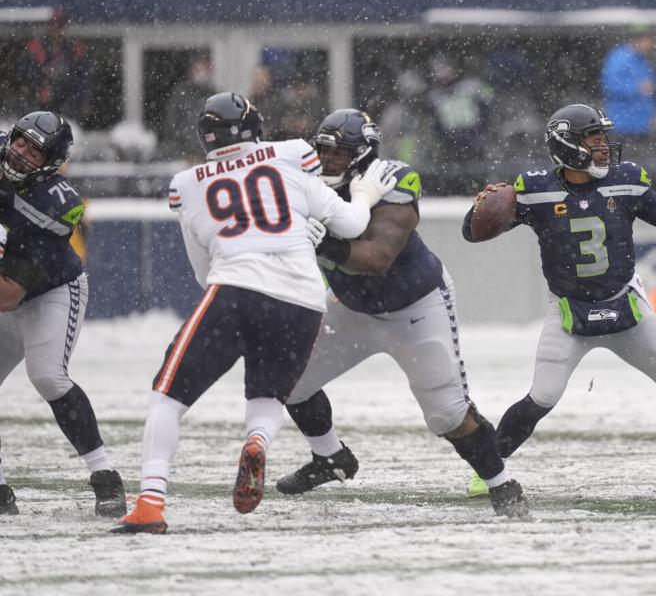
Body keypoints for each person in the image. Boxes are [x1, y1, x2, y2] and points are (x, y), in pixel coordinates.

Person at [112, 93, 397, 534]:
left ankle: (150, 502)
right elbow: (353, 226)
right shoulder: (292, 154)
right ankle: (257, 442)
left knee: (167, 398)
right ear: (256, 127)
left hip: (236, 285)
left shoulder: (187, 183)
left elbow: (203, 269)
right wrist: (364, 194)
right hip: (302, 300)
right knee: (266, 395)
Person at [462, 103, 656, 494]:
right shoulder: (534, 189)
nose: (604, 145)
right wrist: (480, 211)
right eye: (594, 137)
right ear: (568, 145)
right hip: (570, 313)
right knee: (542, 396)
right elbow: (473, 234)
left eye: (603, 137)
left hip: (623, 301)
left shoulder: (626, 180)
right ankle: (488, 470)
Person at [274, 109, 529, 518]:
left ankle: (503, 486)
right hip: (352, 306)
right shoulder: (304, 186)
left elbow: (377, 257)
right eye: (321, 150)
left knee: (447, 412)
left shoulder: (392, 179)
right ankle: (331, 458)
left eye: (337, 153)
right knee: (285, 378)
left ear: (362, 155)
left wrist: (325, 246)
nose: (326, 160)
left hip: (415, 306)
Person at [0, 111, 125, 516]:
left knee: (48, 376)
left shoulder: (52, 205)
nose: (21, 153)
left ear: (51, 162)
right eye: (20, 141)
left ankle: (105, 476)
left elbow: (8, 294)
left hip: (48, 290)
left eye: (34, 151)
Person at [600, 29, 656, 139]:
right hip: (622, 123)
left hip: (642, 125)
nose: (651, 45)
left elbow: (650, 92)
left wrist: (654, 112)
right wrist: (637, 88)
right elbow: (610, 85)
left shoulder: (644, 61)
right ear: (638, 40)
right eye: (648, 41)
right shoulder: (619, 58)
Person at [157, 53, 216, 161]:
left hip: (207, 153)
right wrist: (183, 147)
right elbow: (171, 124)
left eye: (204, 68)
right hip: (183, 153)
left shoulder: (214, 95)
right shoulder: (181, 94)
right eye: (198, 68)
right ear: (191, 70)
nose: (201, 73)